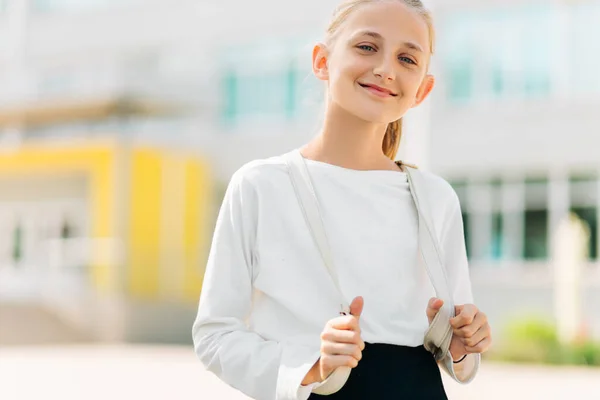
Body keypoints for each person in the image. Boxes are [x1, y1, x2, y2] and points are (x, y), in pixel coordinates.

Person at [192, 0, 492, 399]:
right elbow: (215, 335)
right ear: (321, 61)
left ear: (423, 90)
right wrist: (313, 367)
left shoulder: (436, 199)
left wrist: (462, 343)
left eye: (407, 58)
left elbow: (455, 350)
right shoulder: (261, 185)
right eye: (367, 47)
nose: (386, 68)